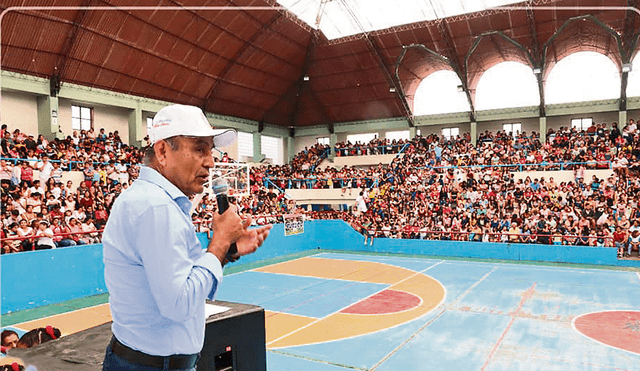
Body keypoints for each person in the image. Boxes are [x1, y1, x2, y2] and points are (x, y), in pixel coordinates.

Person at [102, 104, 271, 371]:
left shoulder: (152, 201)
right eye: (199, 149)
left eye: (211, 151)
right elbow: (178, 304)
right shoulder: (156, 208)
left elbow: (181, 278)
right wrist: (217, 244)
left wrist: (226, 250)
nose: (211, 161)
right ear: (162, 151)